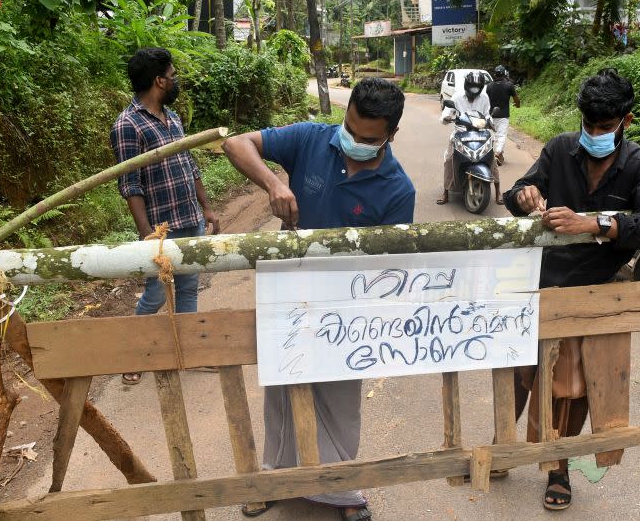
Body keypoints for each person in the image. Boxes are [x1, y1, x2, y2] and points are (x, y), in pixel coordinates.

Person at [222, 77, 414, 521]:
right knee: (282, 388)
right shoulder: (311, 138)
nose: (353, 142)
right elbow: (235, 144)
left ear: (390, 135)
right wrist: (273, 183)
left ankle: (340, 490)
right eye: (349, 128)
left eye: (368, 139)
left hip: (348, 308)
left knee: (340, 397)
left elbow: (391, 268)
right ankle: (276, 478)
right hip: (287, 292)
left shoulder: (398, 189)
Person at [502, 68, 640, 510]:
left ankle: (559, 467)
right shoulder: (560, 149)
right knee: (520, 370)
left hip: (596, 291)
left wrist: (592, 222)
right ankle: (504, 445)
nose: (595, 134)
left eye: (605, 127)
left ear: (626, 121)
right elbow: (520, 188)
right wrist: (524, 196)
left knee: (573, 385)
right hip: (540, 281)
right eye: (589, 125)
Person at [111, 47, 219, 386]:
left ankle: (187, 352)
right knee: (157, 293)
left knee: (188, 287)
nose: (176, 82)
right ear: (159, 81)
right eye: (173, 76)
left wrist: (206, 207)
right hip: (161, 227)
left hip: (190, 218)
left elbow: (189, 163)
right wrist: (147, 235)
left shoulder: (172, 117)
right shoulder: (127, 125)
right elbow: (130, 183)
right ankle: (135, 353)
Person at [437, 71, 502, 204]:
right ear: (467, 85)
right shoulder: (457, 96)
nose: (474, 91)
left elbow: (487, 113)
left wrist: (490, 122)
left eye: (477, 88)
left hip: (481, 132)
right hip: (460, 132)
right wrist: (446, 117)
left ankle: (498, 191)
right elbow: (447, 112)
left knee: (492, 158)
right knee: (449, 159)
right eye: (472, 87)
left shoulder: (484, 97)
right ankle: (446, 192)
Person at [486, 65, 520, 167]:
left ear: (495, 74)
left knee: (492, 136)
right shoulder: (509, 85)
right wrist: (517, 105)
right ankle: (497, 153)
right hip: (503, 115)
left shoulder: (489, 86)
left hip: (491, 114)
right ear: (505, 74)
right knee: (501, 136)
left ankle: (495, 153)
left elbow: (485, 100)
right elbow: (516, 99)